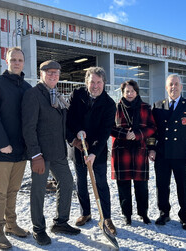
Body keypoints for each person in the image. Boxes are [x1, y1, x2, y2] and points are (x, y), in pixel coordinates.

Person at [22, 60, 80, 246]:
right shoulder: (33, 95)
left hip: (58, 151)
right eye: (49, 72)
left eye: (56, 72)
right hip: (41, 154)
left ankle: (61, 222)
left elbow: (61, 124)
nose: (53, 75)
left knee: (67, 181)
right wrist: (35, 155)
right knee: (38, 190)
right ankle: (38, 228)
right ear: (41, 74)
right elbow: (28, 128)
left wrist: (73, 140)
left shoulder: (56, 94)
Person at [0, 47, 32, 249]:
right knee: (0, 192)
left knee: (13, 190)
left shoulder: (27, 87)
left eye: (20, 60)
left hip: (21, 150)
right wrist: (3, 144)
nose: (17, 63)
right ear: (6, 60)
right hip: (2, 150)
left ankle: (11, 224)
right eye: (13, 59)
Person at [66, 67, 117, 235]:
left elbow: (104, 132)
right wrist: (78, 131)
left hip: (98, 151)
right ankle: (85, 213)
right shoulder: (77, 94)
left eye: (99, 82)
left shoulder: (109, 104)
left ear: (104, 83)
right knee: (81, 182)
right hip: (79, 146)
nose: (95, 86)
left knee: (101, 183)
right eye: (92, 82)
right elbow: (70, 117)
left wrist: (94, 152)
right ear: (86, 82)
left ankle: (106, 217)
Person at [149, 74, 186, 230]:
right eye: (170, 84)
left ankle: (185, 216)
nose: (173, 87)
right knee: (162, 185)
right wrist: (151, 148)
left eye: (176, 84)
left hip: (182, 154)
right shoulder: (157, 106)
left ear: (181, 87)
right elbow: (152, 131)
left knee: (183, 186)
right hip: (162, 154)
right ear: (166, 87)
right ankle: (164, 213)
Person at [110, 80, 156, 225]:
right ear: (122, 93)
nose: (129, 94)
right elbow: (108, 127)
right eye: (126, 91)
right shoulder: (115, 108)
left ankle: (143, 213)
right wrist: (124, 133)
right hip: (121, 152)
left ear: (137, 92)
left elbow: (152, 128)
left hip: (140, 151)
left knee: (141, 186)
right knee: (123, 186)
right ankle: (127, 215)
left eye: (132, 91)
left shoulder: (145, 107)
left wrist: (138, 134)